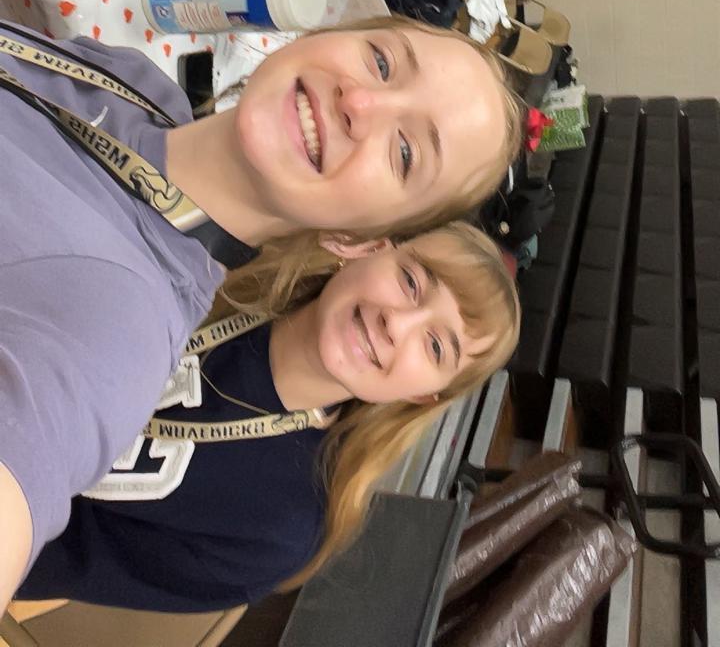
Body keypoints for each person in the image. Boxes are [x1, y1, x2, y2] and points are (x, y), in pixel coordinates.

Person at [0, 14, 523, 614]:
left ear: (356, 237)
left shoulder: (126, 324)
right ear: (371, 252)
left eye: (406, 154)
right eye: (382, 61)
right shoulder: (139, 86)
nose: (396, 323)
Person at [17, 222, 521, 612]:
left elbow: (41, 562)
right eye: (411, 281)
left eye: (435, 347)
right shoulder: (214, 247)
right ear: (371, 249)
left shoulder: (276, 533)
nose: (398, 323)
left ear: (424, 395)